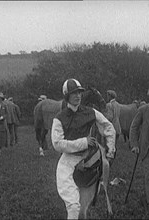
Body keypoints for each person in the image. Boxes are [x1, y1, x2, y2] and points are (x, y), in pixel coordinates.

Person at [51, 78, 116, 219]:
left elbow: (108, 126)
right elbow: (57, 144)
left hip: (88, 160)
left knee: (83, 208)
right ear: (67, 96)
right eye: (74, 93)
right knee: (74, 207)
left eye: (79, 93)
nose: (78, 96)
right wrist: (83, 142)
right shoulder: (59, 118)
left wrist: (111, 151)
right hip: (67, 162)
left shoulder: (90, 112)